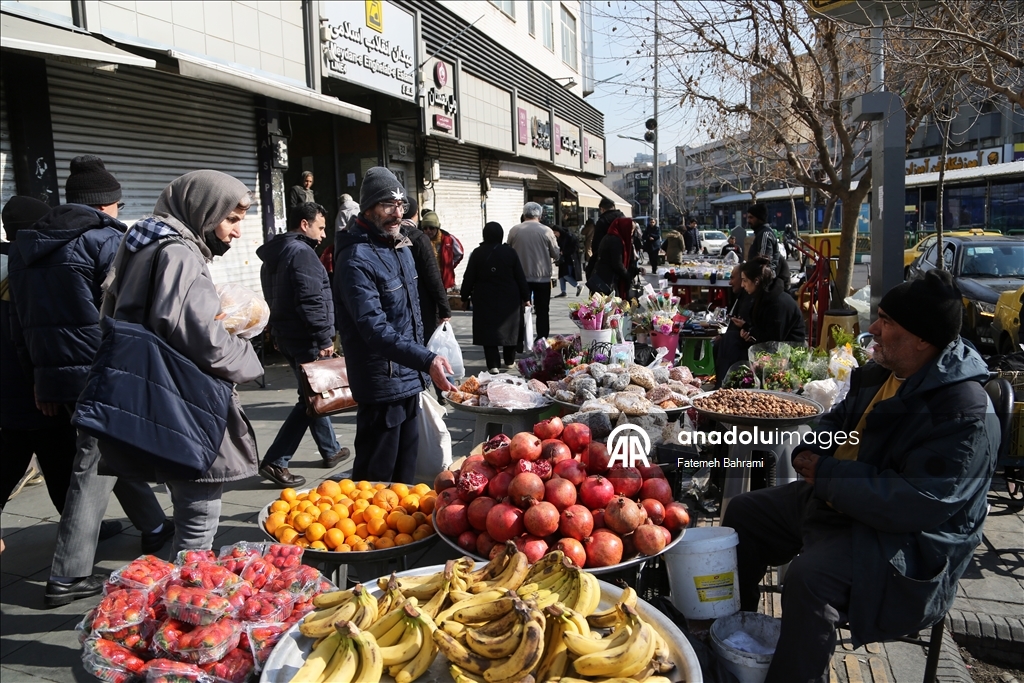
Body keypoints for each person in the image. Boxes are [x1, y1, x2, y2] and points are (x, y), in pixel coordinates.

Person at [722, 269, 999, 682]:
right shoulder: (884, 371)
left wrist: (828, 474)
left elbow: (916, 502)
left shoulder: (963, 412)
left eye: (886, 321)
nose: (874, 329)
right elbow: (839, 421)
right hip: (844, 500)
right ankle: (732, 638)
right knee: (744, 515)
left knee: (809, 579)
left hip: (905, 540)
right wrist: (812, 448)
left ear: (922, 339)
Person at [8, 156, 171, 607]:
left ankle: (155, 524)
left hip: (56, 376)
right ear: (106, 204)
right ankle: (68, 574)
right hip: (102, 370)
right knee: (91, 462)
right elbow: (132, 313)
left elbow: (19, 325)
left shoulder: (26, 247)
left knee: (105, 451)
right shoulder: (105, 240)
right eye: (118, 204)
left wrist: (38, 380)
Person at [99, 170, 264, 557]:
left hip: (156, 391)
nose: (236, 231)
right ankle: (188, 590)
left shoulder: (142, 241)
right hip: (185, 400)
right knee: (199, 519)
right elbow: (203, 339)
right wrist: (247, 356)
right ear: (202, 210)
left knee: (189, 505)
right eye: (230, 219)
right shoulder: (179, 253)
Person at [333, 167, 456, 483]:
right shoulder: (356, 258)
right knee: (375, 482)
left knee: (404, 480)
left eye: (400, 204)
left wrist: (422, 364)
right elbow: (373, 328)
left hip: (408, 379)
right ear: (368, 208)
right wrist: (426, 359)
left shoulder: (400, 247)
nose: (397, 213)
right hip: (382, 384)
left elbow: (410, 314)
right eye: (388, 204)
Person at [256, 202, 351, 487]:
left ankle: (331, 449)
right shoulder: (301, 253)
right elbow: (311, 300)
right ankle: (276, 461)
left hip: (287, 335)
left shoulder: (276, 253)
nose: (323, 236)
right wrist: (324, 337)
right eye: (320, 228)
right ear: (304, 224)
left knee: (313, 393)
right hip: (305, 337)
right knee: (309, 399)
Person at [0, 197, 78, 514]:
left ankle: (79, 526)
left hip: (10, 391)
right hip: (32, 389)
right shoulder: (25, 270)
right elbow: (32, 336)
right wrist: (43, 383)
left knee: (28, 455)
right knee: (58, 459)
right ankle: (79, 529)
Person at [461, 222, 530, 373]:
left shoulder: (477, 253)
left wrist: (464, 296)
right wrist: (526, 297)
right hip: (509, 297)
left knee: (488, 330)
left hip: (484, 297)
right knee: (510, 328)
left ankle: (493, 364)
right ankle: (509, 360)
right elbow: (520, 276)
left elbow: (469, 277)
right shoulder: (510, 252)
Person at [401, 197, 451, 342]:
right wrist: (444, 309)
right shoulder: (420, 239)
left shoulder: (390, 235)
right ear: (416, 214)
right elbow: (432, 276)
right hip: (423, 303)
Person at [508, 202, 560, 339]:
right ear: (540, 215)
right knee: (542, 310)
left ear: (524, 214)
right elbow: (555, 253)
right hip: (542, 277)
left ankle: (519, 339)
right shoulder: (546, 231)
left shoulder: (515, 230)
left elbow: (509, 251)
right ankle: (542, 338)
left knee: (519, 310)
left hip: (520, 278)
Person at [734, 257, 805, 345]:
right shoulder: (761, 296)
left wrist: (749, 330)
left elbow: (773, 340)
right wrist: (746, 329)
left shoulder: (777, 303)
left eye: (745, 280)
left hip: (790, 348)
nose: (742, 285)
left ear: (756, 281)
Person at [713, 265, 753, 386]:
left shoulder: (751, 298)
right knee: (721, 342)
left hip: (749, 344)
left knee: (728, 341)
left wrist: (745, 327)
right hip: (741, 338)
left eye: (732, 278)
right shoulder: (742, 296)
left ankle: (724, 385)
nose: (730, 282)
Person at [593, 217, 641, 299]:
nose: (631, 233)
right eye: (630, 230)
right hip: (609, 281)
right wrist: (628, 276)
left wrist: (636, 270)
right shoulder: (615, 241)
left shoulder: (610, 237)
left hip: (604, 278)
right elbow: (617, 264)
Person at [419, 210, 464, 292]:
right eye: (425, 228)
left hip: (442, 279)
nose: (428, 231)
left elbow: (459, 253)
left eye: (431, 228)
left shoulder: (448, 238)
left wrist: (449, 265)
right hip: (426, 280)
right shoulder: (420, 240)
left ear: (437, 228)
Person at [746, 202, 789, 285]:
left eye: (751, 217)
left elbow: (763, 262)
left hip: (769, 283)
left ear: (759, 218)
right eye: (748, 218)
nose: (748, 221)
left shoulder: (765, 234)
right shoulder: (761, 233)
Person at [585, 197, 623, 278]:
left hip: (607, 260)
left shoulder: (602, 221)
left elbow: (596, 243)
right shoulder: (623, 218)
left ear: (602, 209)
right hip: (624, 257)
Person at [551, 224, 582, 298]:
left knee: (566, 275)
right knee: (561, 276)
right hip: (563, 259)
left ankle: (578, 286)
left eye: (555, 233)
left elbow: (575, 247)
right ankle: (563, 291)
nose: (555, 235)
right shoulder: (561, 238)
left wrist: (564, 252)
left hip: (569, 259)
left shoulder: (569, 236)